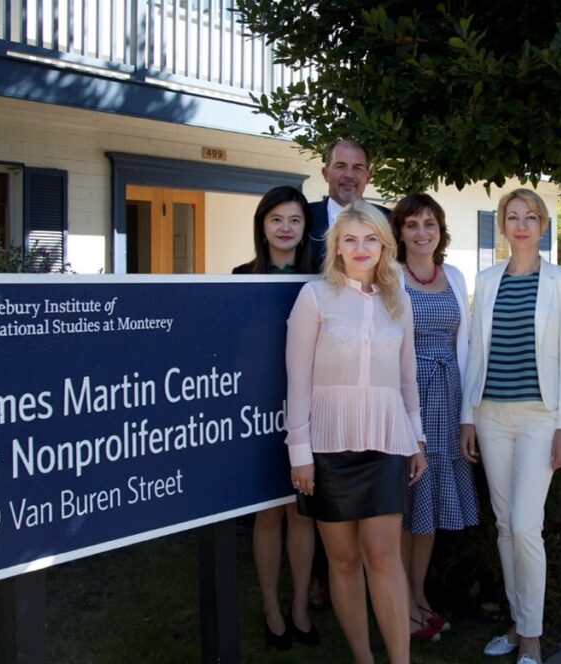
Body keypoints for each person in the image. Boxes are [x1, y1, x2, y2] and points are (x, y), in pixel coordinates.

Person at [285, 201, 428, 664]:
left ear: (384, 244)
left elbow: (408, 379)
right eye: (350, 239)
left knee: (384, 556)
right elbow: (297, 380)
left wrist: (417, 439)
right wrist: (299, 452)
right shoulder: (314, 297)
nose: (360, 247)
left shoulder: (399, 299)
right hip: (326, 444)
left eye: (370, 238)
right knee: (343, 561)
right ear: (337, 247)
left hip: (386, 440)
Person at [459, 189, 561, 664]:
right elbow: (475, 352)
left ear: (543, 225)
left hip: (539, 418)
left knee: (527, 526)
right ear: (502, 225)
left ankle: (531, 634)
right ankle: (517, 621)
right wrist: (468, 416)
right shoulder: (487, 280)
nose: (522, 224)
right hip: (491, 416)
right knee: (506, 526)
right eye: (513, 216)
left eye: (531, 217)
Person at [232, 185, 318, 650]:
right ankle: (271, 607)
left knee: (302, 514)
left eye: (295, 220)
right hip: (259, 411)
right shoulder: (239, 277)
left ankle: (301, 606)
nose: (286, 228)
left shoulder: (323, 280)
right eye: (277, 219)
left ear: (306, 229)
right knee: (268, 516)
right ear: (262, 226)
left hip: (308, 413)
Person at [390, 194, 479, 642]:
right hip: (408, 402)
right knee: (406, 507)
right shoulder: (389, 276)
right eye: (412, 224)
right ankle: (401, 604)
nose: (422, 232)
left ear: (441, 230)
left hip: (448, 399)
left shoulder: (456, 275)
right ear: (399, 232)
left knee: (429, 509)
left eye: (430, 223)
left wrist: (467, 418)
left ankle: (419, 595)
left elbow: (465, 348)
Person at [308, 139, 391, 267]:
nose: (349, 175)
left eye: (357, 168)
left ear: (368, 177)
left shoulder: (389, 220)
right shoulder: (304, 217)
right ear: (325, 174)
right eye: (340, 166)